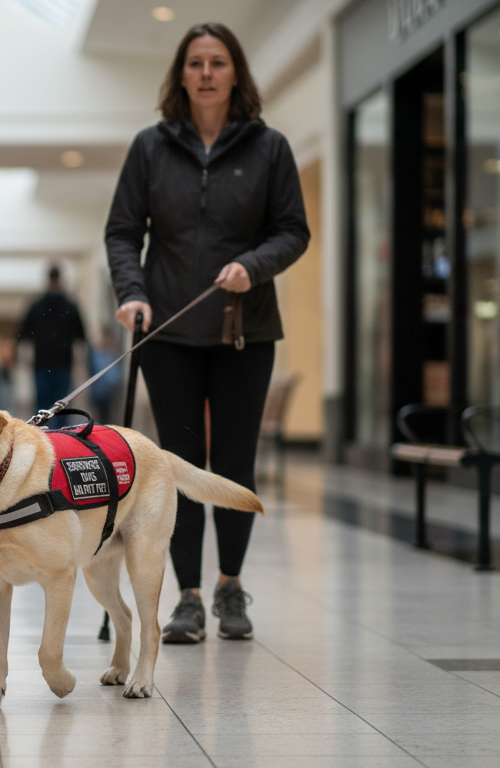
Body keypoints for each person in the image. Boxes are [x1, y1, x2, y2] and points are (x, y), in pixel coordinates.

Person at [105, 22, 309, 644]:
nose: (206, 73)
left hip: (244, 330)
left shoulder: (269, 148)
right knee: (177, 463)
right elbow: (122, 232)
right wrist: (132, 294)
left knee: (235, 460)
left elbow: (293, 230)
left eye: (218, 62)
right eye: (195, 62)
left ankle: (230, 585)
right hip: (166, 330)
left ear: (236, 74)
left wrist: (254, 265)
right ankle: (187, 595)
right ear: (181, 76)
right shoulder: (150, 148)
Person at [17, 265, 86, 424]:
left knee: (49, 406)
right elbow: (81, 337)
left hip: (49, 363)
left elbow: (22, 335)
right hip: (57, 363)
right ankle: (58, 438)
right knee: (58, 406)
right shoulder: (69, 305)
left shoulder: (39, 305)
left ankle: (46, 437)